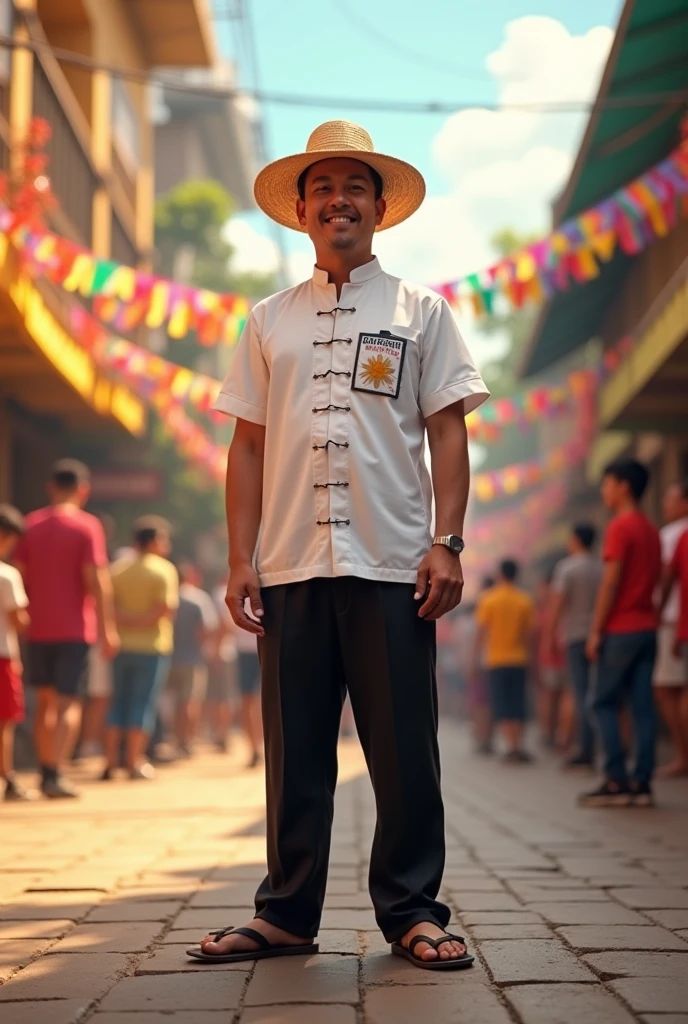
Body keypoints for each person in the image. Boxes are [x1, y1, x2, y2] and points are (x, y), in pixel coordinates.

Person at [188, 120, 488, 971]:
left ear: (380, 207)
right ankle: (285, 912)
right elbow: (245, 446)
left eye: (354, 186)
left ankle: (413, 911)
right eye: (322, 188)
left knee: (404, 750)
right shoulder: (267, 319)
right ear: (302, 210)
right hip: (287, 565)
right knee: (295, 750)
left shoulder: (422, 312)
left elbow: (448, 432)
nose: (337, 200)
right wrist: (241, 559)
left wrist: (448, 542)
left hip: (394, 562)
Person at [14, 459, 119, 798]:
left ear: (50, 488)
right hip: (75, 629)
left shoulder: (30, 524)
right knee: (69, 702)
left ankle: (44, 768)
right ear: (83, 491)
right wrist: (108, 629)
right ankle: (55, 772)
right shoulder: (88, 527)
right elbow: (96, 580)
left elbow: (20, 575)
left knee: (44, 701)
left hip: (37, 629)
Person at [579, 459, 661, 808]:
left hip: (621, 629)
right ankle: (642, 781)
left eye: (608, 483)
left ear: (624, 486)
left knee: (602, 702)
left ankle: (616, 779)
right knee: (643, 707)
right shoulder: (650, 529)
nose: (604, 490)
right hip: (648, 628)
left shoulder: (619, 527)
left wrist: (596, 630)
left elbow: (611, 582)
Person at [103, 517, 178, 781]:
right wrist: (141, 621)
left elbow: (106, 607)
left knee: (118, 703)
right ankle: (134, 763)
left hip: (120, 646)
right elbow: (164, 611)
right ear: (155, 541)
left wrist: (125, 621)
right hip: (152, 647)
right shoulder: (164, 570)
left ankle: (111, 764)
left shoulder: (117, 570)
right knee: (141, 704)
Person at [549, 524, 603, 770]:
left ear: (576, 540)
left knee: (581, 693)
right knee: (599, 691)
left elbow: (558, 605)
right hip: (600, 635)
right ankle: (598, 746)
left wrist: (550, 636)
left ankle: (586, 749)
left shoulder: (567, 567)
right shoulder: (601, 566)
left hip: (574, 636)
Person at [474, 559, 535, 762]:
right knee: (518, 702)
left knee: (502, 702)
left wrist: (475, 658)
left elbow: (482, 633)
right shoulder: (524, 599)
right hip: (519, 659)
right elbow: (529, 635)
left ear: (500, 574)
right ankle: (517, 745)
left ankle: (511, 747)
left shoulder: (489, 599)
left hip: (496, 660)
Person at [654, 481, 688, 776]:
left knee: (669, 689)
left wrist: (658, 611)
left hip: (673, 620)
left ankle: (683, 755)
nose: (666, 504)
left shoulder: (673, 535)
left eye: (671, 499)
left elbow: (666, 578)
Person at [168, 561, 218, 757]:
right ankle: (185, 741)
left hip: (169, 656)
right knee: (189, 702)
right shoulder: (197, 598)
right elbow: (206, 628)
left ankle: (172, 739)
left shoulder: (169, 596)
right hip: (192, 658)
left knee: (169, 703)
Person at [0, 505, 32, 801]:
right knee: (4, 722)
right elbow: (18, 620)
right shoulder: (6, 575)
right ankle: (7, 778)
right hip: (3, 656)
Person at [535, 570, 570, 751]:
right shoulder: (564, 606)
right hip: (564, 655)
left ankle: (551, 734)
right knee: (563, 695)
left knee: (550, 696)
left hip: (550, 657)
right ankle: (561, 736)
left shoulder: (549, 609)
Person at [206, 576, 238, 753]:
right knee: (221, 697)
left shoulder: (220, 594)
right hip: (224, 653)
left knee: (221, 697)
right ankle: (220, 734)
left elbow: (225, 624)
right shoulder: (223, 593)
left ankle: (221, 734)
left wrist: (217, 651)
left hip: (221, 654)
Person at [233, 619, 263, 768]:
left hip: (268, 646)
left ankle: (262, 746)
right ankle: (254, 748)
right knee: (247, 702)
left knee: (264, 702)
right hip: (245, 651)